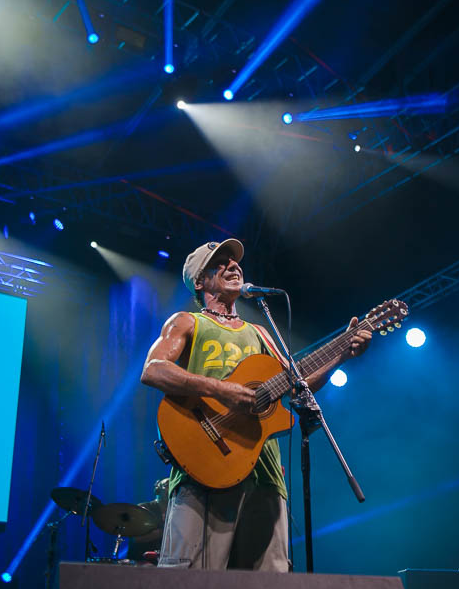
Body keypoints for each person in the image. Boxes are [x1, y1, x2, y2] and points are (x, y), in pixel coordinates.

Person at [140, 238, 371, 571]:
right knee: (190, 588)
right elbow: (152, 369)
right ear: (200, 281)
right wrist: (220, 390)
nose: (233, 265)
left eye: (234, 261)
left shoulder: (261, 332)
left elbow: (298, 386)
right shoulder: (187, 322)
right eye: (219, 263)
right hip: (206, 462)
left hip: (263, 472)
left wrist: (342, 354)